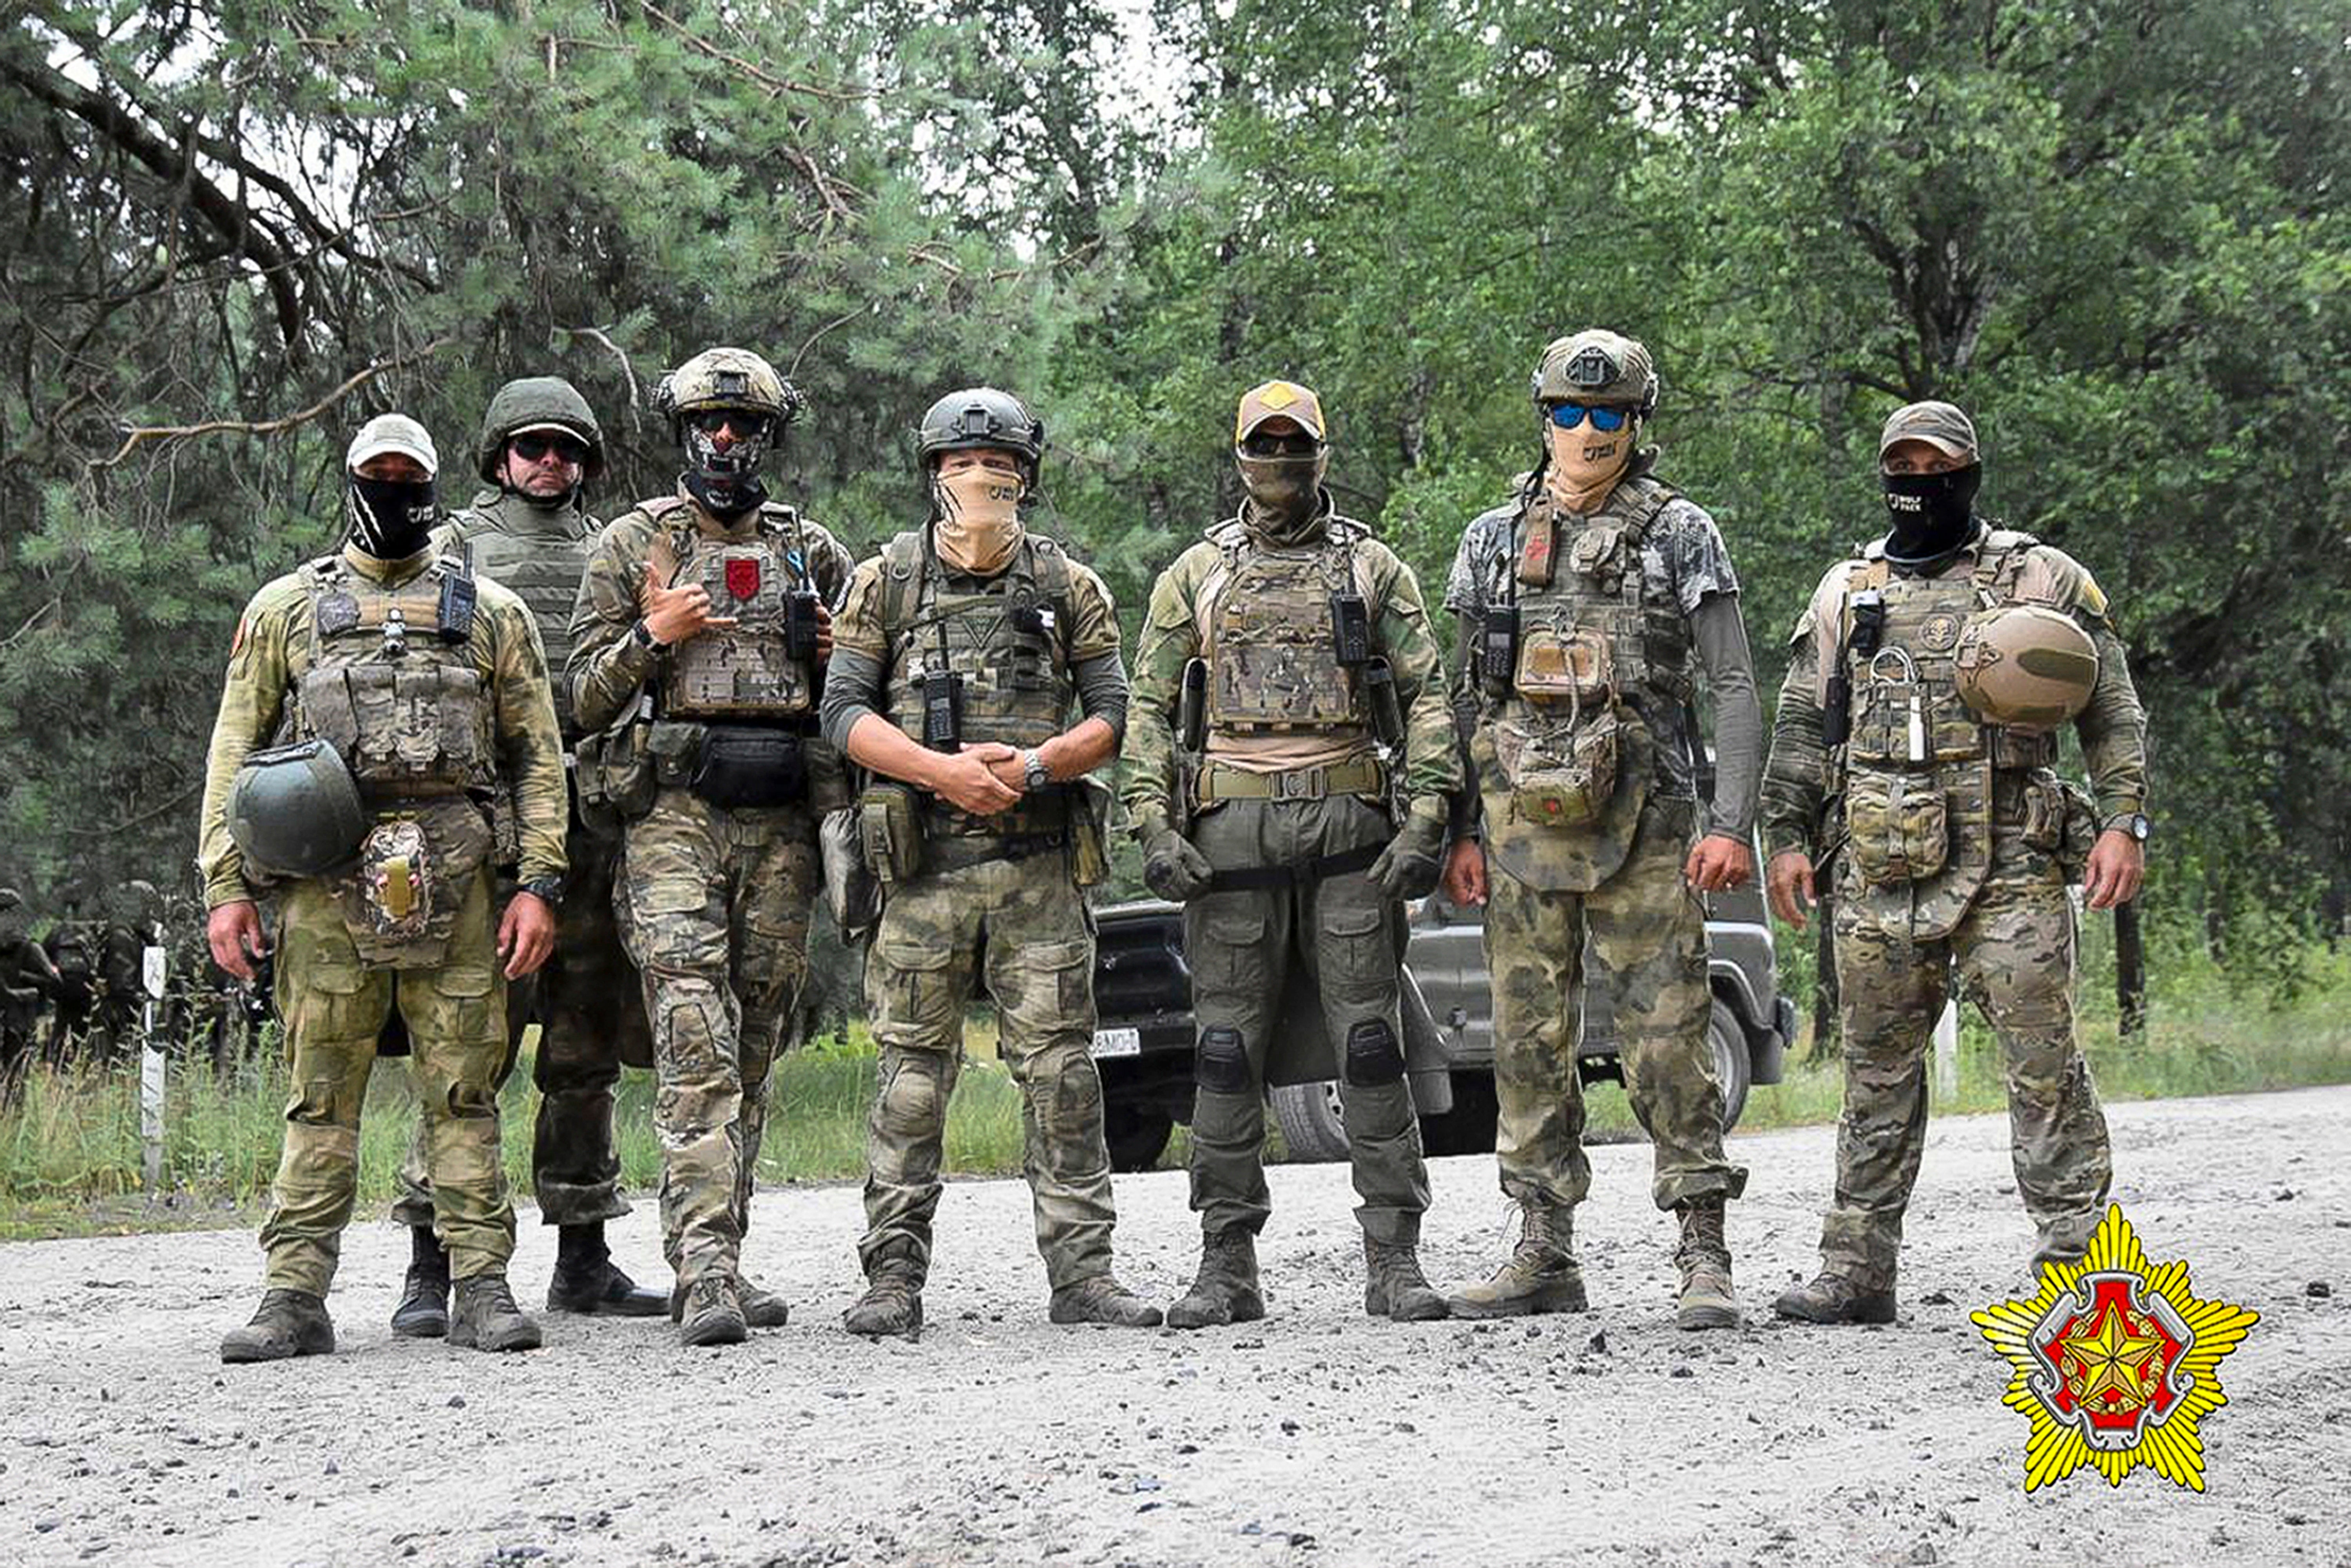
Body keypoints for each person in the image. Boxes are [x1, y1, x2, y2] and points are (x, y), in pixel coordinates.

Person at [1762, 399, 2148, 1324]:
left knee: (2043, 1068)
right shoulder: (1846, 593)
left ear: (1969, 474)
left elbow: (2114, 709)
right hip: (1878, 865)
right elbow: (1802, 724)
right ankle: (1856, 1273)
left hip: (2012, 860)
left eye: (1937, 466)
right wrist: (1783, 836)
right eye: (1904, 466)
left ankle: (2079, 1278)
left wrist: (2123, 822)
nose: (1919, 483)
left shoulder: (2042, 577)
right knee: (1874, 1073)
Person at [198, 413, 567, 1362]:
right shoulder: (287, 607)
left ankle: (482, 1286)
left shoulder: (491, 613)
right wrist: (225, 887)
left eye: (411, 478)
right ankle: (293, 1297)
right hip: (325, 881)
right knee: (320, 1094)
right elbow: (233, 752)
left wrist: (539, 883)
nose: (395, 492)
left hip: (458, 882)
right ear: (354, 480)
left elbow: (537, 759)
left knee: (465, 1092)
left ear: (434, 486)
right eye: (380, 475)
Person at [1440, 329, 1764, 1331]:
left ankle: (1702, 1249)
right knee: (1527, 1038)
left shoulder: (1680, 533)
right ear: (1544, 417)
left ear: (1638, 423)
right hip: (1520, 828)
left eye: (1611, 415)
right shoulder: (1492, 538)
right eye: (1571, 414)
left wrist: (1731, 821)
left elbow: (1736, 684)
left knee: (1667, 1036)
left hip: (1653, 827)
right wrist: (1458, 826)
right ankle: (1544, 1246)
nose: (1589, 431)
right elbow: (1458, 696)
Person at [821, 386, 1160, 1339]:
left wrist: (1040, 763)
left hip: (1038, 870)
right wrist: (938, 772)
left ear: (1027, 477)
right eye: (962, 466)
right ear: (933, 476)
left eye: (999, 467)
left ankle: (1084, 1278)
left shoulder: (1067, 586)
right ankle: (893, 1279)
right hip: (923, 869)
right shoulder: (883, 582)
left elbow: (1115, 714)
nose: (981, 481)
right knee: (912, 1079)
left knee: (1062, 1077)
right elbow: (843, 714)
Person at [1121, 378, 1460, 1329]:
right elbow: (1146, 708)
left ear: (1323, 451)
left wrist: (1428, 816)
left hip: (1353, 835)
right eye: (1263, 445)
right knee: (1224, 1053)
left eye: (1295, 443)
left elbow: (1430, 695)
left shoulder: (1373, 568)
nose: (1279, 461)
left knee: (1371, 1044)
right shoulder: (1196, 575)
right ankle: (1226, 1261)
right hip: (1230, 839)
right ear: (1238, 455)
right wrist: (1151, 823)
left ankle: (1395, 1258)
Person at [569, 348, 852, 1346]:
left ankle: (722, 1244)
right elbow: (575, 698)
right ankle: (704, 1273)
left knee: (756, 1043)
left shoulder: (813, 551)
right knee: (695, 1040)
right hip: (676, 819)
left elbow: (857, 700)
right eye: (708, 424)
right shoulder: (632, 544)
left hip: (779, 824)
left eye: (742, 427)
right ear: (682, 430)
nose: (724, 440)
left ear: (767, 437)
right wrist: (653, 635)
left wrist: (829, 656)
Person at [386, 377, 666, 1337]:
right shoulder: (452, 546)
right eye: (534, 447)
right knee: (465, 1050)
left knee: (584, 1052)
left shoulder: (612, 554)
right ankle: (433, 1262)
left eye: (567, 450)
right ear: (500, 454)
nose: (551, 464)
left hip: (591, 826)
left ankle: (583, 1255)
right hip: (481, 831)